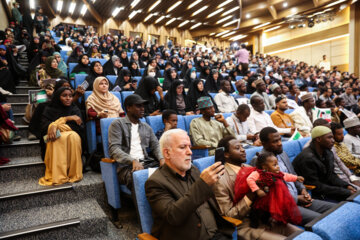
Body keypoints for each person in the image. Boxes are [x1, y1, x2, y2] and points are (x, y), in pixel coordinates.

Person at [145, 129, 234, 240]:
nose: (190, 152)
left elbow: (209, 199)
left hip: (217, 234)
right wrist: (203, 183)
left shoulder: (193, 170)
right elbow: (173, 216)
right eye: (183, 147)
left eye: (190, 147)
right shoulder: (155, 182)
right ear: (167, 153)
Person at [214, 136, 300, 239]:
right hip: (245, 225)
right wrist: (251, 194)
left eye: (242, 146)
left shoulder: (250, 168)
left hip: (266, 219)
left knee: (302, 235)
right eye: (237, 148)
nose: (243, 150)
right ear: (226, 154)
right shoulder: (220, 180)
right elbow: (229, 215)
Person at [253, 127, 336, 225]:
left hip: (300, 199)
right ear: (264, 143)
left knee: (335, 209)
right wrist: (297, 198)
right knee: (321, 220)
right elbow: (270, 193)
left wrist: (303, 190)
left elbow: (293, 175)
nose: (280, 143)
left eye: (280, 139)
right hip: (284, 205)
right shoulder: (259, 161)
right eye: (275, 141)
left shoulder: (282, 153)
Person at [108, 94, 164, 190]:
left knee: (171, 170)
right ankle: (141, 205)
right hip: (127, 166)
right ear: (128, 108)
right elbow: (114, 149)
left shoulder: (146, 127)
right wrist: (132, 160)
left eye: (143, 106)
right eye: (138, 106)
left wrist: (161, 159)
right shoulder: (117, 124)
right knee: (139, 179)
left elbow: (155, 145)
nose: (142, 109)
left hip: (146, 162)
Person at [234, 152, 303, 225]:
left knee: (276, 209)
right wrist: (257, 190)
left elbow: (286, 176)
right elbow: (249, 179)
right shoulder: (258, 173)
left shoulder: (277, 173)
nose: (278, 167)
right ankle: (256, 222)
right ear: (265, 167)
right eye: (275, 165)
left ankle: (274, 220)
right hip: (263, 197)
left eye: (277, 164)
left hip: (273, 197)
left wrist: (296, 178)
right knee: (258, 210)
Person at [293, 126, 356, 201]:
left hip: (325, 186)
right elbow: (315, 186)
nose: (333, 140)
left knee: (355, 192)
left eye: (332, 137)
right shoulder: (307, 158)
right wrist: (345, 192)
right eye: (329, 138)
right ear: (318, 139)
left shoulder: (328, 152)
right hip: (313, 193)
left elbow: (331, 175)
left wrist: (346, 186)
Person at [38, 87, 84, 186]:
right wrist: (67, 119)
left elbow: (79, 127)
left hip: (70, 135)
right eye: (64, 96)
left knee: (73, 136)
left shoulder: (74, 109)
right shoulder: (49, 109)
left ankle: (73, 173)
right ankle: (58, 173)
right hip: (50, 138)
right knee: (57, 137)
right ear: (58, 97)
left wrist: (56, 125)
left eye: (70, 96)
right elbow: (44, 129)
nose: (68, 98)